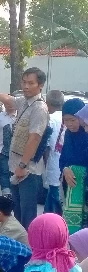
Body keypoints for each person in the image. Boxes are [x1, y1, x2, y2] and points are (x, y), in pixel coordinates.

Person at [0, 67, 50, 228]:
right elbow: (9, 100)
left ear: (40, 85)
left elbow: (34, 138)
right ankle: (21, 246)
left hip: (28, 170)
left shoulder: (39, 108)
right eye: (24, 82)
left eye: (31, 83)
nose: (26, 86)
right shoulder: (24, 102)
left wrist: (23, 165)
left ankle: (29, 248)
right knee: (18, 211)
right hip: (16, 166)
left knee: (27, 214)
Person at [59, 98, 88, 235]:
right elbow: (63, 159)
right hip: (71, 187)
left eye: (73, 120)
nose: (69, 124)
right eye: (66, 120)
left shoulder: (86, 134)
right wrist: (65, 169)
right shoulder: (69, 135)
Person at [44, 90, 65, 214]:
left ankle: (52, 221)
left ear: (47, 103)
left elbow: (46, 146)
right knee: (53, 194)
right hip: (66, 162)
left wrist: (45, 164)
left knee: (54, 194)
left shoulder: (50, 119)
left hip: (53, 160)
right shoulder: (69, 116)